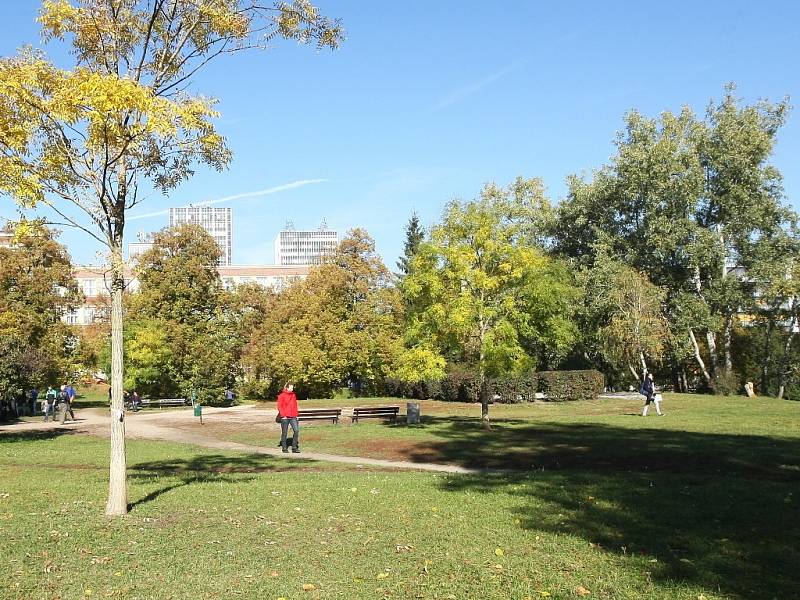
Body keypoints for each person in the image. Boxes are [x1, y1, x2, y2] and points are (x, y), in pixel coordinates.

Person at [276, 383, 300, 453]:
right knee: (284, 432)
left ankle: (294, 447)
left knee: (296, 430)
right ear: (287, 388)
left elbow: (295, 405)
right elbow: (280, 406)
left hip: (293, 416)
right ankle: (284, 447)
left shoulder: (293, 395)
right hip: (285, 417)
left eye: (293, 388)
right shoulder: (281, 396)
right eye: (291, 388)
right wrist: (283, 416)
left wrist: (296, 415)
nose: (292, 389)